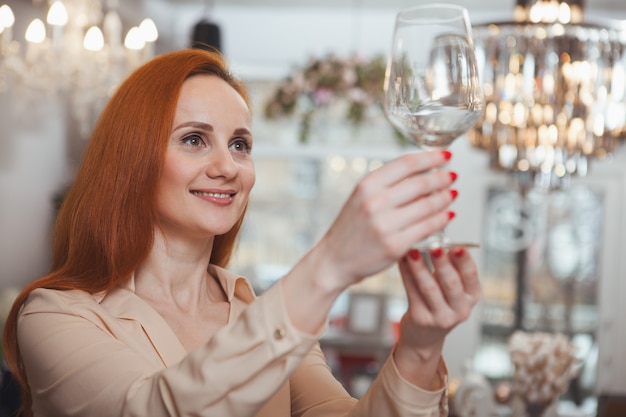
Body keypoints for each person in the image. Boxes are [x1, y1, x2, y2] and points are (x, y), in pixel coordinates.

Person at [2, 48, 480, 417]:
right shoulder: (53, 316)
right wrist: (329, 264)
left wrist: (419, 345)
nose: (228, 167)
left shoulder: (256, 309)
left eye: (240, 144)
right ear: (131, 162)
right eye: (194, 139)